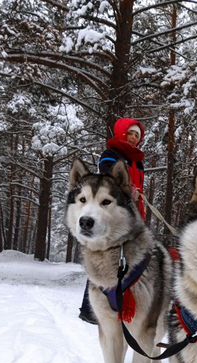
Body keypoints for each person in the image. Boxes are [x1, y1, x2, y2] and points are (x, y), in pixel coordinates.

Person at [79, 118, 146, 324]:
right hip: (111, 212)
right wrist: (125, 189)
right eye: (131, 134)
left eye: (137, 135)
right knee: (103, 258)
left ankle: (122, 304)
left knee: (129, 260)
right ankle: (90, 309)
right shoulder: (111, 155)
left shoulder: (137, 161)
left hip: (133, 214)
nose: (134, 138)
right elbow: (107, 178)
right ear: (122, 133)